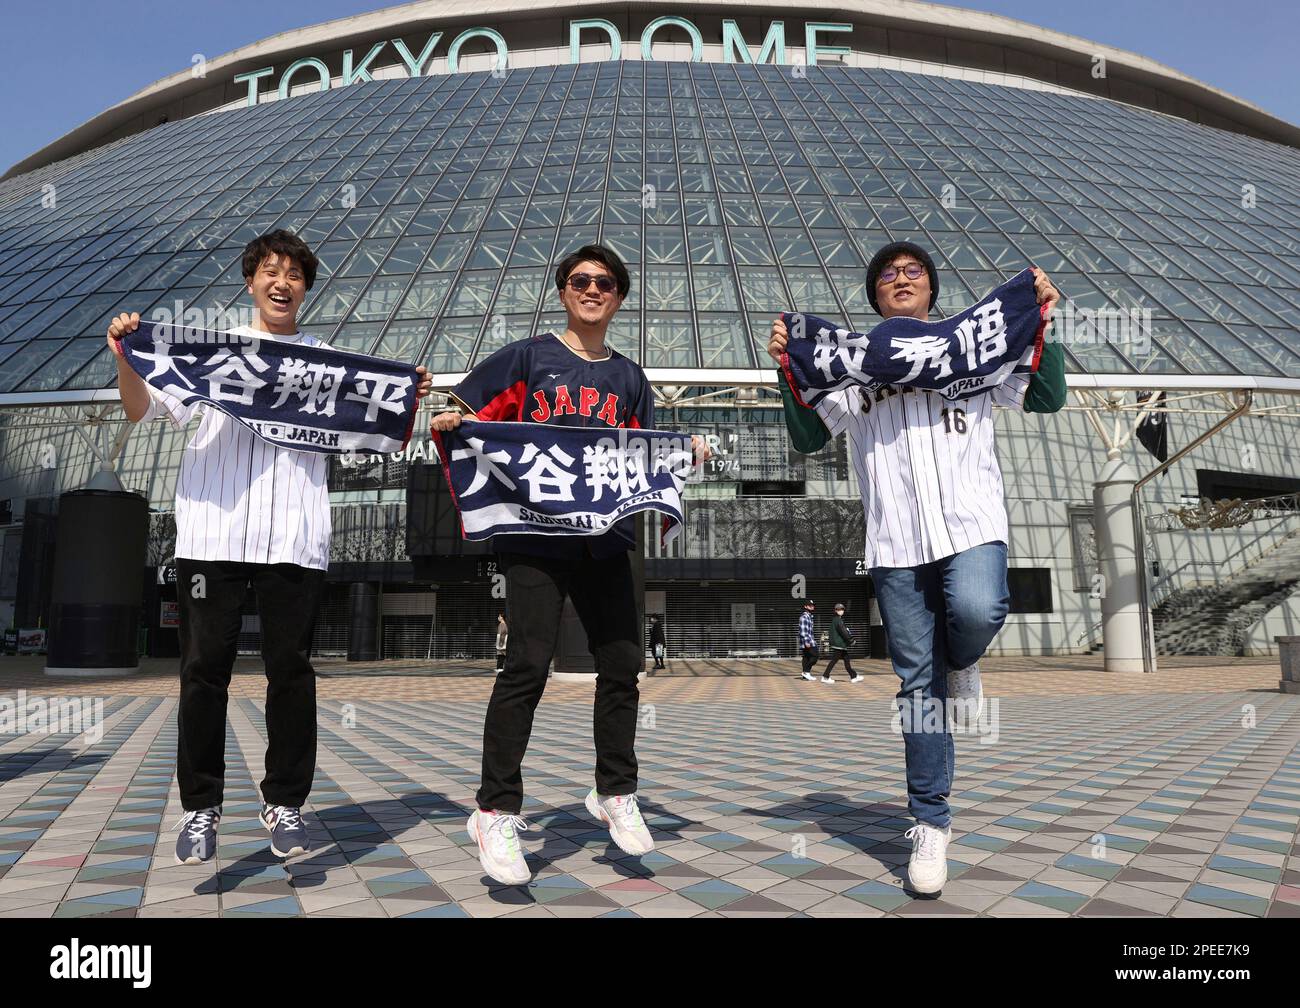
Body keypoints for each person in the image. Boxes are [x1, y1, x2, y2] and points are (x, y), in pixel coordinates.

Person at [108, 229, 433, 865]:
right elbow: (138, 411)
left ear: (306, 288)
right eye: (270, 271)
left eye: (294, 274)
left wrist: (403, 396)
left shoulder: (327, 363)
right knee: (204, 671)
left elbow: (383, 441)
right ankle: (201, 808)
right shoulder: (209, 352)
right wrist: (125, 352)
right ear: (252, 280)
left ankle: (285, 802)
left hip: (294, 535)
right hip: (213, 531)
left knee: (291, 670)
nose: (282, 283)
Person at [769, 241, 1065, 894]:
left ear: (932, 289)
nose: (901, 280)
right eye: (887, 276)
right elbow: (810, 436)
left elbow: (1043, 395)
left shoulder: (976, 347)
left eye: (914, 272)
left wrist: (1043, 318)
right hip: (896, 544)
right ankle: (930, 823)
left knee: (978, 609)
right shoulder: (853, 368)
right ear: (875, 297)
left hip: (972, 524)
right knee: (915, 689)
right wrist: (788, 372)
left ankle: (964, 661)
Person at [431, 244, 708, 886]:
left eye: (605, 283)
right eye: (580, 281)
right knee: (526, 665)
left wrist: (685, 451)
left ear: (619, 296)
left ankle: (615, 791)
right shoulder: (530, 357)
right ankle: (495, 810)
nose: (592, 290)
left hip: (605, 542)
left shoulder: (630, 377)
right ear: (563, 291)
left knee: (622, 665)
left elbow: (643, 453)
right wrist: (454, 420)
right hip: (536, 538)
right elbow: (474, 411)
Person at [825, 602, 862, 683]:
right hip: (839, 644)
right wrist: (851, 640)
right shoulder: (838, 620)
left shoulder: (835, 620)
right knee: (834, 661)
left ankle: (853, 676)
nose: (841, 610)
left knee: (846, 660)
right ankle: (825, 676)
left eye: (842, 609)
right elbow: (844, 632)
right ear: (835, 610)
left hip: (839, 644)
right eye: (838, 609)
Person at [797, 600, 820, 681]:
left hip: (809, 640)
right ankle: (806, 672)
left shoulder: (809, 616)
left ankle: (805, 675)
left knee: (806, 657)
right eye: (810, 605)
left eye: (813, 605)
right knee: (815, 655)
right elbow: (803, 630)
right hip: (807, 641)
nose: (812, 606)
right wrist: (807, 641)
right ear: (805, 606)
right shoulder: (804, 617)